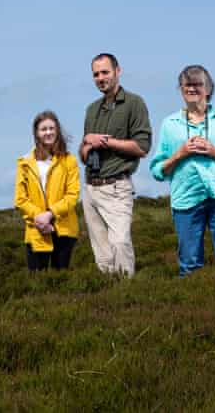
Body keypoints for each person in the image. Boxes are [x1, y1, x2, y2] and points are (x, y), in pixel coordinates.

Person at [149, 65, 215, 276]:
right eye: (187, 85)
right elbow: (157, 170)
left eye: (197, 84)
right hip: (186, 199)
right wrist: (180, 153)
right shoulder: (169, 124)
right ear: (180, 89)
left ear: (208, 89)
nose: (192, 89)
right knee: (189, 265)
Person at [80, 53, 152, 277]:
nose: (100, 78)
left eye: (105, 72)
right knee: (102, 256)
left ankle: (127, 293)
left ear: (118, 71)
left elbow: (142, 147)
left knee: (120, 244)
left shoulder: (134, 103)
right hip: (91, 188)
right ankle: (110, 295)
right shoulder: (91, 109)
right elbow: (83, 153)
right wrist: (87, 145)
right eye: (96, 74)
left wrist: (104, 142)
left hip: (117, 187)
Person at [14, 111, 81, 271]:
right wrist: (39, 217)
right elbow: (20, 199)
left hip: (64, 229)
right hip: (36, 229)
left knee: (61, 279)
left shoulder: (69, 161)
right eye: (43, 129)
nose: (48, 132)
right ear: (36, 133)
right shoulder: (25, 163)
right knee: (36, 279)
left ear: (57, 130)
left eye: (51, 128)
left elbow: (72, 196)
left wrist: (50, 214)